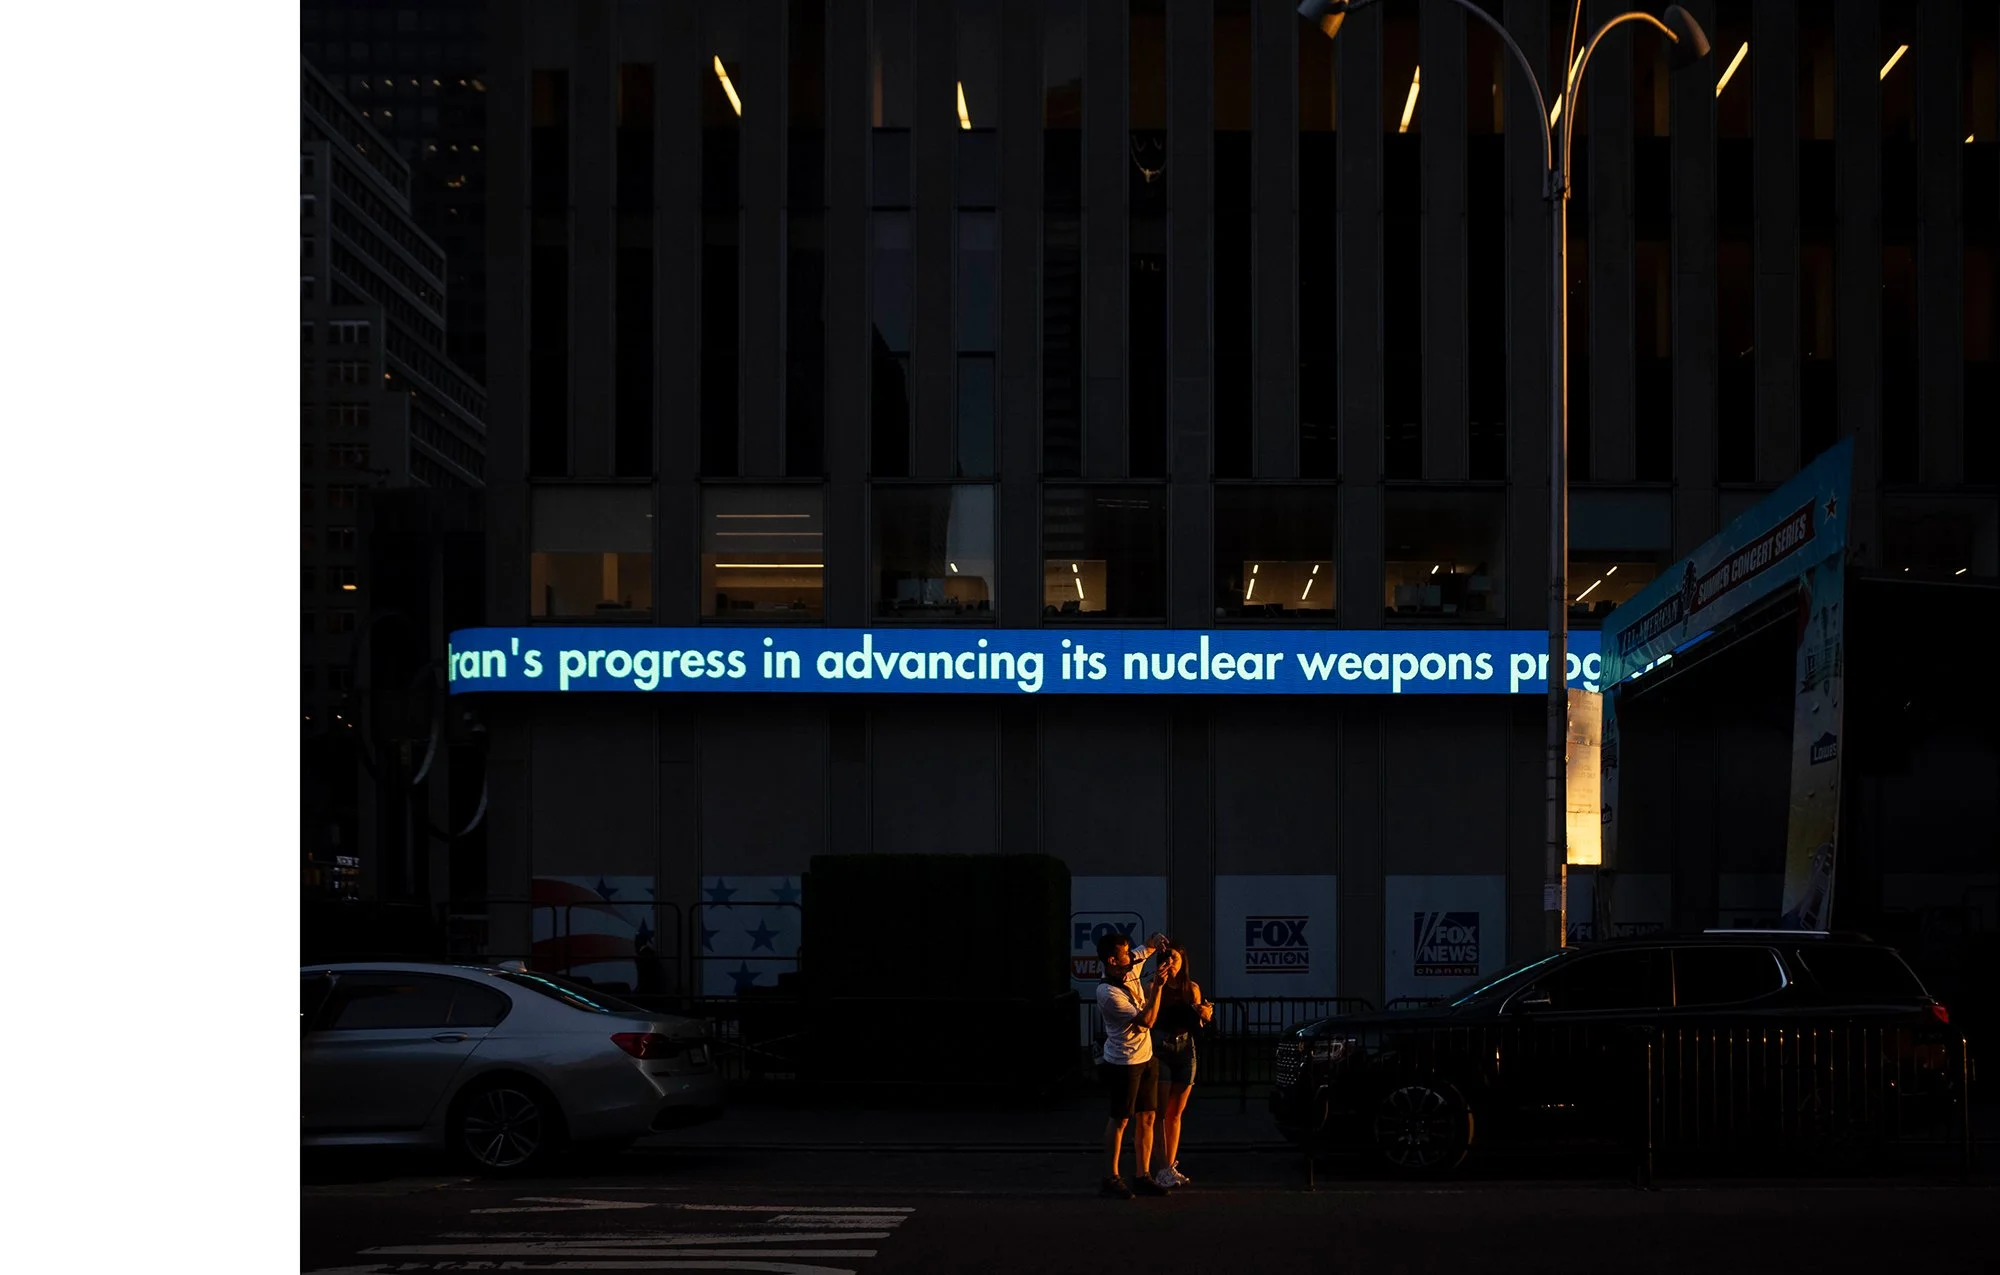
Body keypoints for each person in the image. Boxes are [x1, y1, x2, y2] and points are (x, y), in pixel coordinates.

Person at [1094, 930, 1172, 1198]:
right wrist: (1158, 988)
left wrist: (1157, 940)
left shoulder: (1130, 963)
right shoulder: (1107, 993)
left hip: (1146, 1057)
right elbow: (1148, 1020)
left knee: (1148, 1116)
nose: (1131, 957)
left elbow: (1148, 946)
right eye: (1124, 954)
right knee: (1120, 1120)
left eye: (1129, 951)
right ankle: (1111, 1177)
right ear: (1111, 961)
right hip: (1123, 1062)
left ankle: (1143, 1175)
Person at [1145, 945, 1213, 1190]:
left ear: (1183, 961)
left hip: (1185, 1048)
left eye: (1175, 958)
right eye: (1167, 958)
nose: (1171, 962)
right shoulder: (1154, 986)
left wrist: (1205, 1015)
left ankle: (1170, 1166)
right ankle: (1161, 1167)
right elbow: (1149, 1016)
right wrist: (1158, 986)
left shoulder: (1191, 988)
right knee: (1160, 1113)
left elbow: (1198, 1024)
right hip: (1160, 1048)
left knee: (1176, 1113)